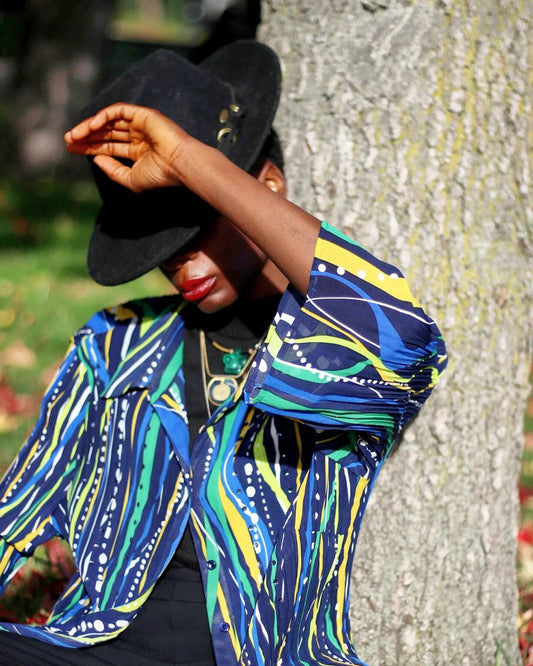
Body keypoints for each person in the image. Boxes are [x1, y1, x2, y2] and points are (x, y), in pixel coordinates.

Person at [0, 41, 447, 665]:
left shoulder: (324, 347)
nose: (174, 259)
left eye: (192, 224)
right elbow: (17, 511)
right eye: (155, 244)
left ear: (263, 187)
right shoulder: (116, 344)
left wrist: (188, 161)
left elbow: (402, 339)